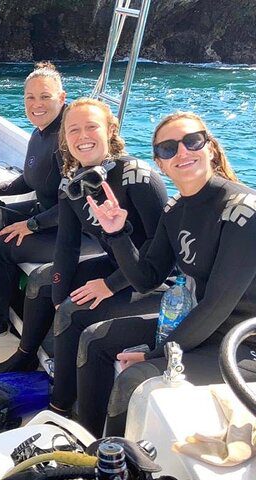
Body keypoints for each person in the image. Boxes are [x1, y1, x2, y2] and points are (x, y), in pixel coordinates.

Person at [81, 111, 256, 437]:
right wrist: (118, 233)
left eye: (192, 141)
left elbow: (217, 305)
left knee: (137, 378)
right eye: (168, 148)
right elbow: (146, 277)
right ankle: (90, 442)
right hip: (203, 329)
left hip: (243, 344)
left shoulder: (243, 211)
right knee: (95, 339)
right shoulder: (175, 210)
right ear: (159, 162)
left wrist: (159, 352)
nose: (182, 152)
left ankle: (112, 464)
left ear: (210, 147)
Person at [40, 98, 169, 421]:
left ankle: (65, 410)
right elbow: (66, 246)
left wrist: (110, 286)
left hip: (157, 281)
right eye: (74, 130)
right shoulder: (74, 182)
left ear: (110, 130)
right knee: (50, 288)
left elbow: (160, 253)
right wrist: (58, 296)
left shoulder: (137, 176)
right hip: (120, 266)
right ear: (65, 139)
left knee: (75, 313)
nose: (83, 136)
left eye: (91, 127)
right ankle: (49, 378)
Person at [0, 62, 68, 343]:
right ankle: (4, 293)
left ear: (62, 98)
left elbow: (74, 204)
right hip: (46, 213)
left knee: (0, 248)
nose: (36, 104)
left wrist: (32, 225)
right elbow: (31, 178)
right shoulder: (40, 131)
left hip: (69, 228)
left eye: (45, 97)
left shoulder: (69, 137)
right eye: (30, 97)